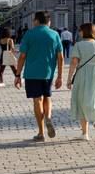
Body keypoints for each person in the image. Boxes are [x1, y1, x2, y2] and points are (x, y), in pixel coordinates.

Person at [15, 11, 65, 142]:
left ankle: (41, 132)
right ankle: (48, 116)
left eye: (33, 20)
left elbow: (22, 56)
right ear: (49, 22)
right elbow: (60, 57)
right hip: (48, 72)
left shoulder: (29, 34)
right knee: (47, 97)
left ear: (36, 20)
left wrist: (17, 74)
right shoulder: (54, 35)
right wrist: (60, 76)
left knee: (37, 100)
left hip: (32, 73)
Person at [67, 23, 95, 140]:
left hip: (82, 73)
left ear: (83, 32)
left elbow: (74, 62)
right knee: (94, 97)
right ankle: (94, 120)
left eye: (80, 30)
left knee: (81, 100)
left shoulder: (79, 45)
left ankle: (85, 134)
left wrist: (69, 79)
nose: (79, 32)